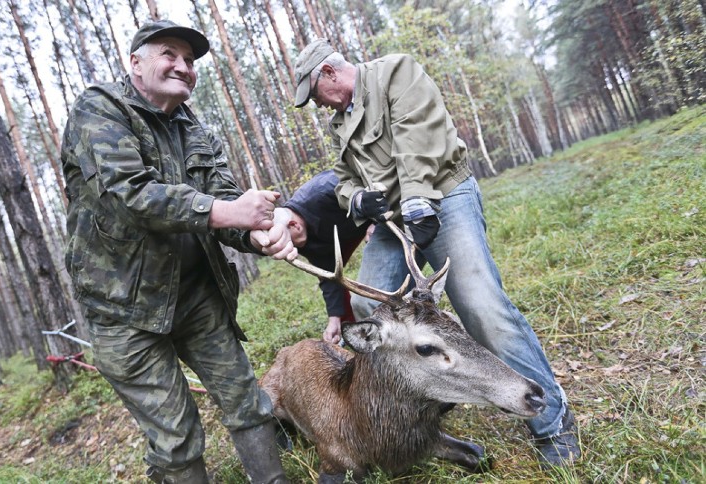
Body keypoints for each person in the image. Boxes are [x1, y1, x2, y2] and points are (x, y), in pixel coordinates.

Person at [291, 38, 580, 467]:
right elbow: (344, 177)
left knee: (482, 308)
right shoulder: (340, 121)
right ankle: (425, 384)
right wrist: (357, 201)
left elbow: (417, 140)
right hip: (394, 217)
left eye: (315, 93)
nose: (317, 104)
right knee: (367, 302)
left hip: (444, 195)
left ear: (329, 73)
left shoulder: (396, 72)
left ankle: (553, 421)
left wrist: (416, 200)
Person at [61, 20, 292, 483]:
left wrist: (259, 234)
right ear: (136, 63)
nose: (184, 67)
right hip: (123, 310)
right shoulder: (100, 109)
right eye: (170, 54)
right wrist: (229, 213)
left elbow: (225, 201)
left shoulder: (195, 130)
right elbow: (131, 194)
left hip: (195, 295)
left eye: (190, 61)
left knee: (247, 399)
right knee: (175, 435)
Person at [273, 170, 372, 343]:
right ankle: (351, 331)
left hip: (377, 214)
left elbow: (372, 183)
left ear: (294, 225)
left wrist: (376, 223)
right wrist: (334, 318)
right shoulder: (302, 239)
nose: (293, 249)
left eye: (291, 243)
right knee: (349, 299)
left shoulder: (325, 191)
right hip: (347, 233)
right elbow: (328, 274)